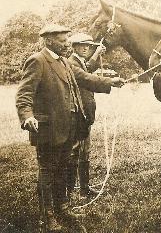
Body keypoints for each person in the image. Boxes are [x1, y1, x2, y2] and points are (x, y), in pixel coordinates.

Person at [15, 24, 125, 232]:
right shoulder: (38, 61)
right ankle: (47, 217)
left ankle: (62, 208)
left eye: (67, 40)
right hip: (48, 129)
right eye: (63, 41)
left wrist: (110, 81)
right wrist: (27, 116)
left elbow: (86, 78)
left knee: (63, 169)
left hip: (69, 127)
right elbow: (24, 94)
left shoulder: (64, 62)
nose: (67, 44)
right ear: (48, 41)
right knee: (48, 172)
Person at [66, 33, 106, 199]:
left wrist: (96, 53)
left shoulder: (79, 61)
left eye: (88, 46)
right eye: (81, 45)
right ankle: (68, 192)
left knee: (84, 152)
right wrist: (110, 82)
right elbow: (86, 77)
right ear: (74, 46)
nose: (85, 48)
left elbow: (87, 67)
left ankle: (84, 189)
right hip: (77, 114)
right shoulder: (71, 63)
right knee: (74, 152)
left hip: (85, 114)